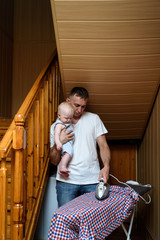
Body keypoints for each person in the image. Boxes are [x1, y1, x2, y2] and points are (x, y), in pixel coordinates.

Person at [50, 87, 111, 207]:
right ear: (68, 101)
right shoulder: (56, 126)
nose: (79, 110)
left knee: (93, 222)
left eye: (83, 106)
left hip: (92, 180)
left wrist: (106, 166)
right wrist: (60, 142)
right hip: (66, 182)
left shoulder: (94, 119)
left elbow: (103, 146)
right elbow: (54, 160)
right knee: (67, 222)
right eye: (76, 105)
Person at [50, 101, 74, 178]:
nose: (68, 120)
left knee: (67, 155)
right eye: (66, 118)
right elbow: (56, 134)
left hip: (67, 142)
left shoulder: (66, 122)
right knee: (68, 154)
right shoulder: (59, 124)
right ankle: (62, 166)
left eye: (70, 118)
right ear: (59, 115)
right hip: (64, 143)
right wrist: (58, 143)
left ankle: (62, 168)